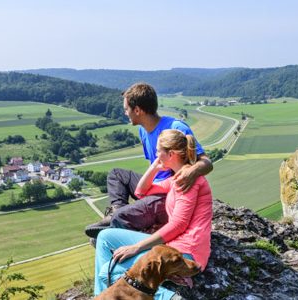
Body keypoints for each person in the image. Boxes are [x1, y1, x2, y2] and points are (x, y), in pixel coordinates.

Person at [93, 129, 213, 299]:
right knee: (105, 237)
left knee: (107, 272)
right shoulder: (177, 177)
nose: (155, 154)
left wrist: (137, 247)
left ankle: (168, 297)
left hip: (187, 249)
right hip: (174, 243)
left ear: (170, 154)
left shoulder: (187, 181)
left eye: (158, 151)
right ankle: (100, 296)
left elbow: (179, 225)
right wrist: (155, 166)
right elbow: (141, 191)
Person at [86, 83, 213, 238]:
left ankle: (119, 221)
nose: (125, 113)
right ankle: (116, 212)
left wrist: (191, 172)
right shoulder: (143, 130)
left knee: (125, 216)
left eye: (126, 109)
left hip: (168, 194)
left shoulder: (175, 127)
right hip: (155, 186)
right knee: (116, 175)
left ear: (138, 110)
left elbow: (207, 163)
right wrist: (144, 185)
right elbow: (154, 165)